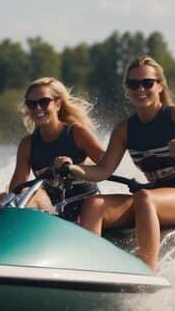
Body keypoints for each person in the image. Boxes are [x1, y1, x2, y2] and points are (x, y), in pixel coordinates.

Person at [66, 56, 175, 272]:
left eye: (147, 83)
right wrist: (71, 169)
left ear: (160, 86)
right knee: (94, 205)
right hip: (152, 197)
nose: (140, 89)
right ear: (127, 89)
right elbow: (102, 170)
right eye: (133, 84)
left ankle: (148, 272)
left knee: (144, 197)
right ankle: (87, 269)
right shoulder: (124, 129)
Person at [6, 78, 105, 221]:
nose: (38, 108)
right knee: (18, 197)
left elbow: (107, 166)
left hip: (89, 209)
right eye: (31, 104)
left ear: (58, 104)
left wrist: (74, 168)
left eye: (44, 102)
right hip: (57, 214)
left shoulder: (77, 133)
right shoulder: (27, 145)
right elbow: (16, 189)